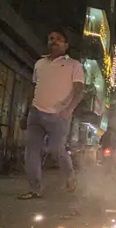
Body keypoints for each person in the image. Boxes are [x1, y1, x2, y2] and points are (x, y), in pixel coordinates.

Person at [18, 29, 84, 200]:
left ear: (66, 45)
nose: (54, 41)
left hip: (58, 116)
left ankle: (70, 175)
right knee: (31, 152)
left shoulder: (74, 65)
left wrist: (68, 110)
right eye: (51, 38)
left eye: (59, 39)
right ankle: (35, 189)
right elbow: (33, 89)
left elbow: (79, 91)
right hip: (35, 113)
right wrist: (25, 113)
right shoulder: (39, 64)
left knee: (56, 149)